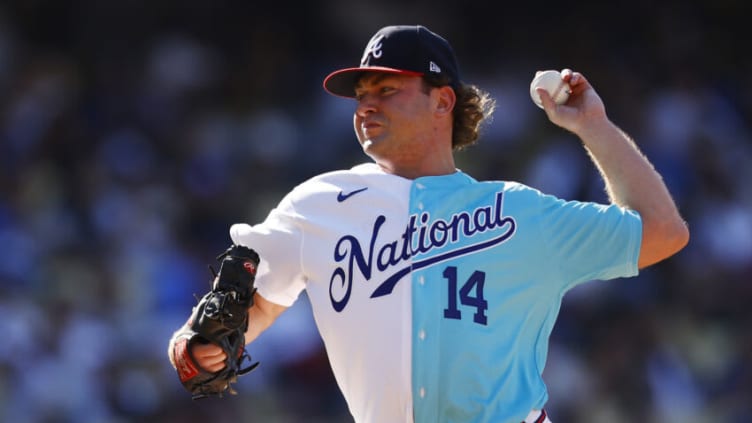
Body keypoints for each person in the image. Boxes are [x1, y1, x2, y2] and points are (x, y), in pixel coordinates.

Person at [168, 24, 689, 423]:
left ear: (442, 100)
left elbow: (663, 231)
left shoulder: (519, 211)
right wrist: (196, 348)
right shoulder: (319, 204)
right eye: (361, 94)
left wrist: (593, 128)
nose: (366, 104)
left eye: (387, 89)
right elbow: (242, 312)